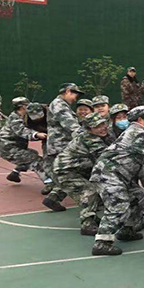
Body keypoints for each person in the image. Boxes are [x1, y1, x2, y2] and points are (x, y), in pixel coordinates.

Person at [90, 106, 144, 256]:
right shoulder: (137, 133)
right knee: (118, 204)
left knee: (138, 196)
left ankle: (127, 229)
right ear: (141, 119)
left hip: (119, 175)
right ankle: (102, 242)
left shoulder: (134, 132)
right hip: (109, 174)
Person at [53, 112, 112, 236]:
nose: (102, 128)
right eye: (97, 127)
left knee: (97, 189)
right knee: (90, 192)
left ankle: (91, 217)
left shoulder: (95, 136)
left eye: (103, 124)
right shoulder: (91, 140)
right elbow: (106, 158)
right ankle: (87, 224)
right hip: (66, 171)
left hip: (77, 169)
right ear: (89, 129)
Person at [43, 83, 86, 212]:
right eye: (75, 94)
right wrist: (85, 136)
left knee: (71, 172)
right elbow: (70, 123)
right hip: (60, 146)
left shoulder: (62, 104)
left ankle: (53, 197)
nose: (75, 98)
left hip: (62, 145)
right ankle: (87, 202)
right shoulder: (59, 104)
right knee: (74, 172)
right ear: (67, 91)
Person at [0, 97, 49, 185]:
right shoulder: (15, 119)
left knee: (30, 154)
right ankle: (48, 181)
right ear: (23, 106)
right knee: (34, 158)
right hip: (8, 148)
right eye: (27, 105)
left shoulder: (24, 116)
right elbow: (22, 131)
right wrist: (36, 134)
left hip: (15, 146)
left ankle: (15, 173)